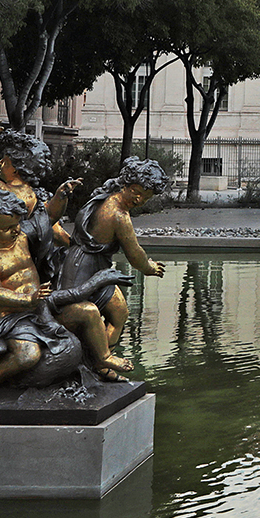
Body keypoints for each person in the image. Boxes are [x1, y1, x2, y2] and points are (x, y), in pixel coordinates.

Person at [0, 184, 92, 398]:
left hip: (39, 307)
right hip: (11, 318)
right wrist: (28, 298)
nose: (16, 230)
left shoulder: (20, 238)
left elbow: (46, 218)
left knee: (86, 315)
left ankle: (99, 363)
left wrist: (60, 197)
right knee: (28, 356)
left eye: (17, 224)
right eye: (7, 228)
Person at [49, 156, 170, 381]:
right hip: (85, 269)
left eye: (146, 196)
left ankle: (97, 364)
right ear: (126, 183)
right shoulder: (118, 215)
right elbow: (134, 254)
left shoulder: (102, 196)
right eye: (136, 191)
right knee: (107, 314)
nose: (139, 199)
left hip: (89, 264)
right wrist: (149, 268)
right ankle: (100, 361)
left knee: (119, 311)